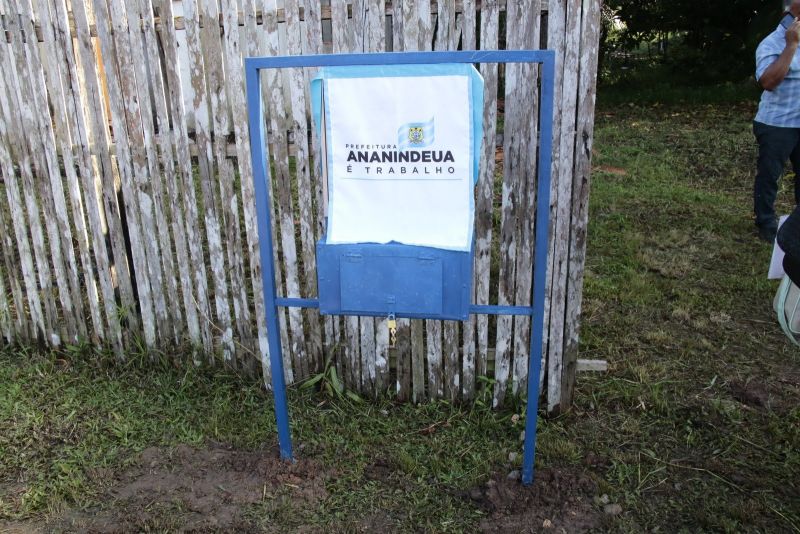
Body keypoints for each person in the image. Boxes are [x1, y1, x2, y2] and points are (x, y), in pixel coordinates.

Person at [753, 2, 800, 242]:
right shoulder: (771, 44)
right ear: (788, 16)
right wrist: (791, 46)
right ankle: (766, 223)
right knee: (770, 175)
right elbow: (768, 82)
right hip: (776, 125)